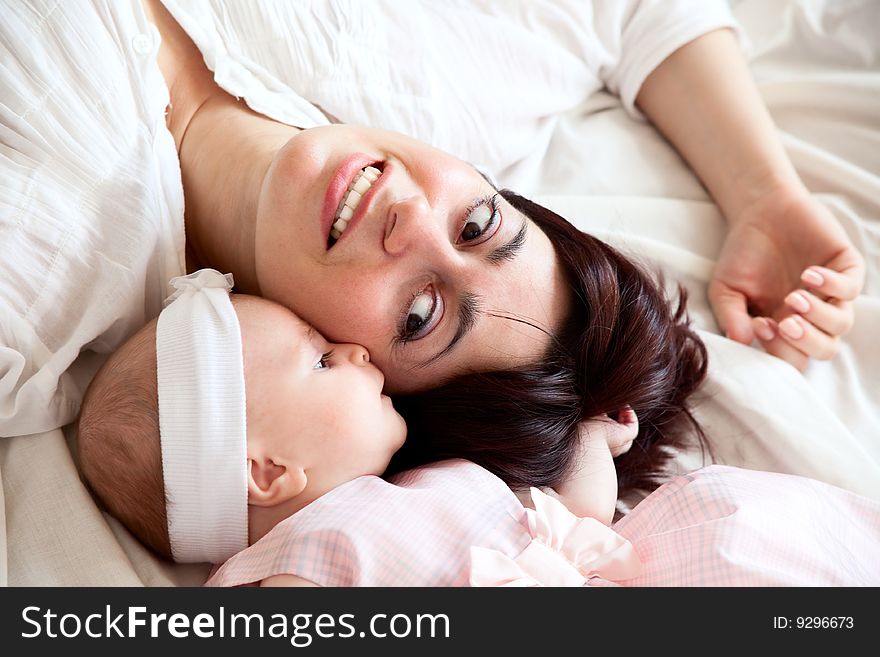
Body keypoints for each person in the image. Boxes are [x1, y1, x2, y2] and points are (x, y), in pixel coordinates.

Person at [2, 0, 864, 471]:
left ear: (351, 377)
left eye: (419, 313)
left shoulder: (41, 277)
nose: (412, 220)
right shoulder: (427, 88)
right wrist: (763, 194)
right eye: (481, 222)